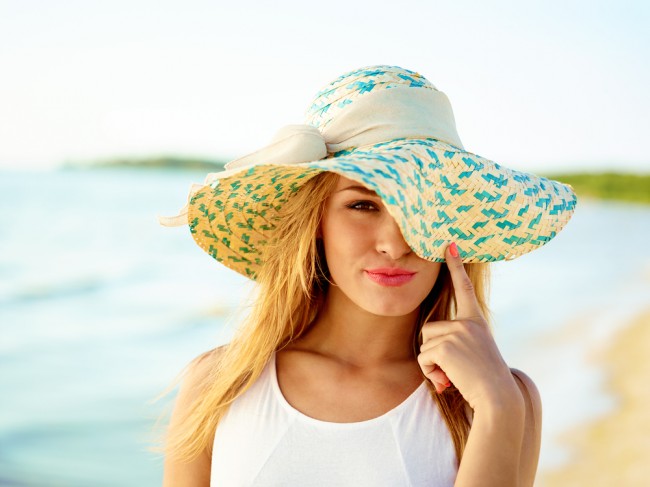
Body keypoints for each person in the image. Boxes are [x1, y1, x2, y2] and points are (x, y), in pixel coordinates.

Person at [157, 65, 577, 486]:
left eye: (421, 211)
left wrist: (497, 407)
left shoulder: (500, 399)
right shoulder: (218, 384)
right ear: (316, 222)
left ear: (454, 227)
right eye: (363, 205)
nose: (395, 243)